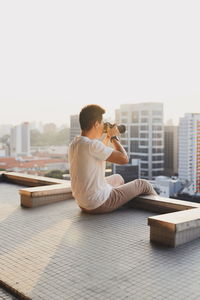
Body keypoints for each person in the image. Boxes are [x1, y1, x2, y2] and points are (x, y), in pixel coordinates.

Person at [68, 104, 157, 214]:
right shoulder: (92, 146)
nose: (103, 126)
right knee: (143, 184)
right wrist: (114, 137)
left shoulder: (75, 143)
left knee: (118, 178)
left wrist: (108, 137)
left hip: (83, 203)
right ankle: (160, 213)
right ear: (96, 124)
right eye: (101, 123)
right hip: (98, 203)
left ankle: (121, 200)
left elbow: (99, 152)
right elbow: (124, 159)